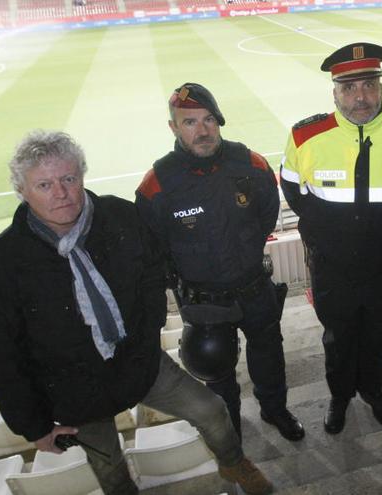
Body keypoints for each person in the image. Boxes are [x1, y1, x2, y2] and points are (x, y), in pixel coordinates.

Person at [0, 130, 272, 495]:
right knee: (109, 468)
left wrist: (145, 342)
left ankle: (234, 463)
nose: (61, 193)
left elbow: (151, 281)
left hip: (139, 361)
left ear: (81, 175)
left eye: (68, 179)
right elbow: (1, 358)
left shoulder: (121, 216)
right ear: (22, 191)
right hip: (73, 388)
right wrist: (34, 426)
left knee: (212, 409)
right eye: (44, 185)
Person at [135, 83, 304, 442]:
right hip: (202, 300)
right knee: (216, 370)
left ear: (219, 121)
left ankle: (275, 410)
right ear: (174, 128)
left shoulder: (251, 163)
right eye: (190, 122)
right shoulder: (157, 184)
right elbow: (152, 247)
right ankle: (230, 429)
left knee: (269, 356)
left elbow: (266, 216)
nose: (203, 130)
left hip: (254, 286)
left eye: (209, 120)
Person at [280, 42, 382, 434]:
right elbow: (294, 189)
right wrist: (324, 236)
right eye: (349, 88)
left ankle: (373, 392)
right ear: (334, 92)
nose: (360, 97)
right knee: (337, 337)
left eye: (368, 85)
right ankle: (340, 395)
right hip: (332, 268)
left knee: (379, 335)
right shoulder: (305, 137)